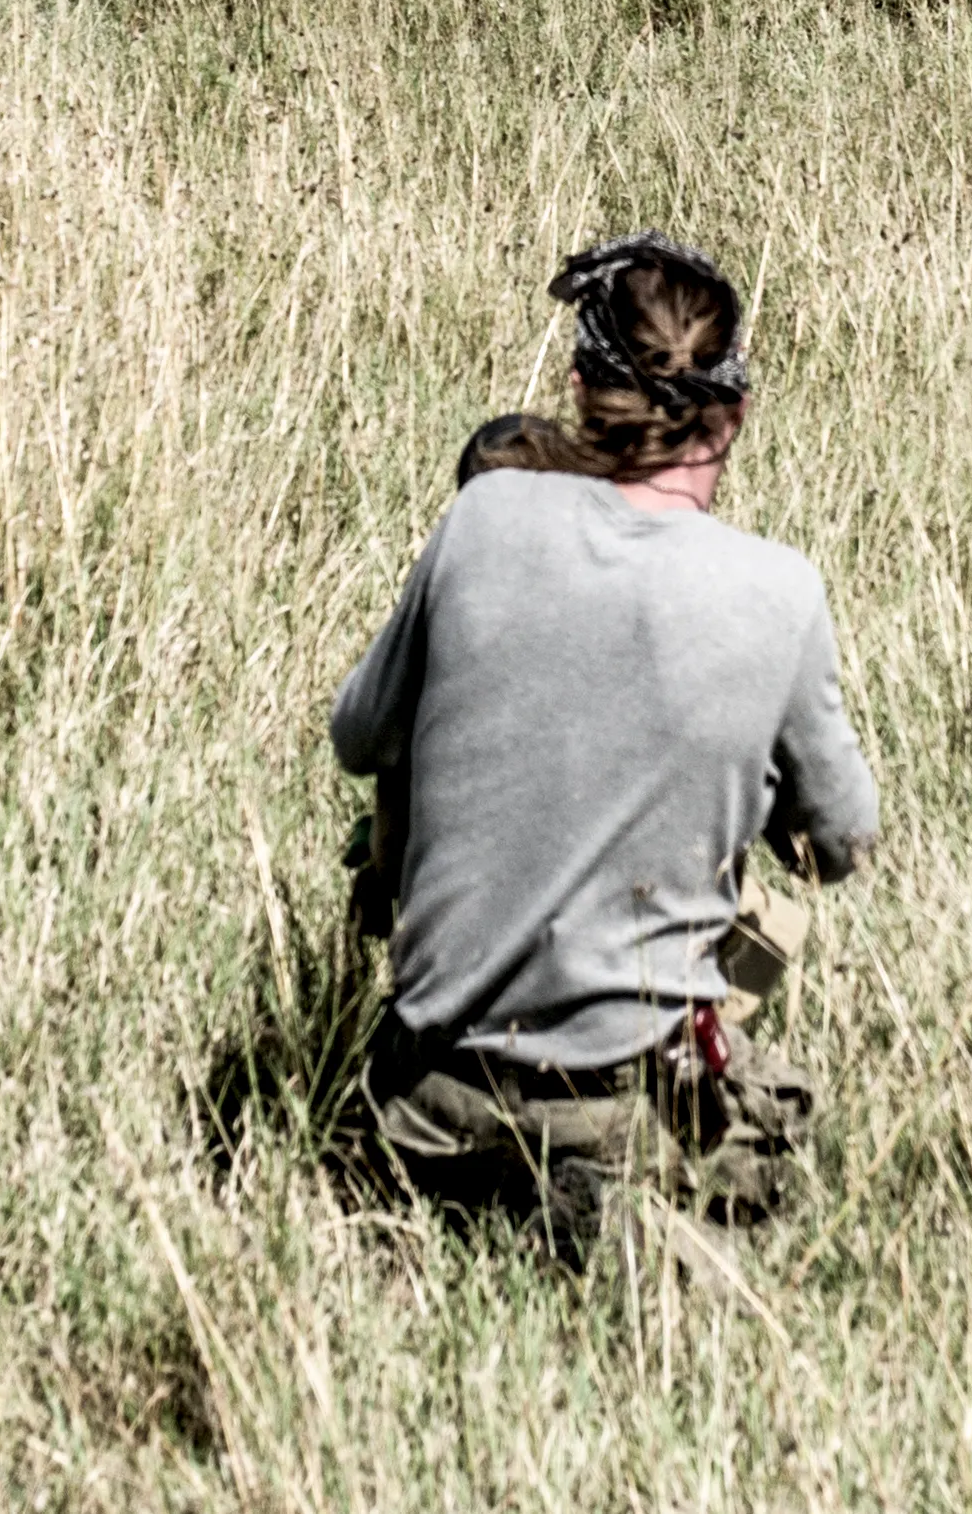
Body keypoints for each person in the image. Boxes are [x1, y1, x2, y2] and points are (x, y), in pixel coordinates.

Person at [330, 230, 878, 1256]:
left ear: (581, 389)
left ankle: (467, 1203)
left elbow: (358, 739)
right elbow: (838, 849)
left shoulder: (482, 516)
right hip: (622, 1102)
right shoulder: (779, 592)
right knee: (780, 1039)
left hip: (425, 1090)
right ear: (735, 413)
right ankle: (613, 1216)